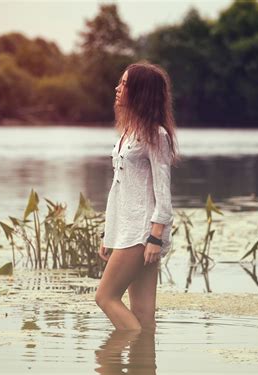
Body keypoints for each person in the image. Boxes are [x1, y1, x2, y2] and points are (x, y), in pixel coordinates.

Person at [95, 61, 180, 331]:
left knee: (105, 297)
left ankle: (114, 360)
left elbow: (162, 192)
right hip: (125, 230)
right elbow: (119, 189)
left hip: (142, 233)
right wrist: (109, 233)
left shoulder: (157, 136)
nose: (117, 88)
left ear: (140, 92)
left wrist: (155, 237)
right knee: (143, 314)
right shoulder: (128, 134)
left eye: (124, 84)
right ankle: (143, 365)